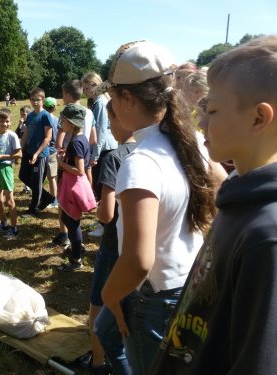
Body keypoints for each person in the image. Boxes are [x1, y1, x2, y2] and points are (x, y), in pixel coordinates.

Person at [150, 35, 277, 375]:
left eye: (214, 110)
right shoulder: (237, 197)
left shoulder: (267, 236)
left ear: (258, 118)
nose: (202, 122)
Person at [100, 41, 216, 375]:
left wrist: (110, 296)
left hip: (150, 297)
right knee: (105, 332)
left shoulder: (141, 163)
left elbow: (138, 261)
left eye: (113, 95)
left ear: (127, 99)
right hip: (186, 281)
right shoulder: (191, 141)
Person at [88, 100, 135, 375]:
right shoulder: (147, 150)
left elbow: (106, 214)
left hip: (112, 245)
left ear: (119, 121)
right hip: (137, 246)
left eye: (109, 121)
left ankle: (97, 362)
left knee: (98, 305)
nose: (107, 126)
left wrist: (97, 209)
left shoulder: (114, 158)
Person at [48, 80, 96, 249]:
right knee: (79, 200)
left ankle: (65, 235)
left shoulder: (66, 114)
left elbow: (59, 142)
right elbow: (94, 139)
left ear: (68, 94)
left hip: (71, 162)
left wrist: (62, 157)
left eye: (63, 94)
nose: (62, 97)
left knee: (65, 203)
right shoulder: (89, 112)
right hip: (84, 155)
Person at [56, 103, 96, 272]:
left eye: (63, 120)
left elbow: (79, 171)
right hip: (72, 184)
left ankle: (76, 258)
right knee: (68, 219)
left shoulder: (76, 143)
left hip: (73, 185)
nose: (61, 123)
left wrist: (60, 163)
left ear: (71, 123)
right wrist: (67, 157)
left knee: (72, 222)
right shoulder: (80, 139)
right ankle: (77, 247)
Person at [81, 71, 118, 238]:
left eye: (89, 87)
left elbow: (102, 131)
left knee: (102, 187)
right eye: (85, 87)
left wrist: (95, 155)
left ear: (97, 86)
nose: (86, 91)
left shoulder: (101, 103)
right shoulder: (95, 102)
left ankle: (105, 225)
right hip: (100, 149)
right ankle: (101, 221)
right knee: (98, 185)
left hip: (105, 149)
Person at [19, 87, 55, 217]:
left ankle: (33, 209)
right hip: (28, 152)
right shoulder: (30, 116)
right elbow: (26, 133)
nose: (35, 102)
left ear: (43, 100)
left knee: (37, 181)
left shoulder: (45, 115)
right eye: (33, 100)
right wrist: (20, 149)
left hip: (40, 155)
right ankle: (46, 197)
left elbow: (48, 137)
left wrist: (36, 153)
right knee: (23, 176)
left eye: (38, 100)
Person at [0, 108, 22, 239]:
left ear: (10, 122)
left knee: (10, 201)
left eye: (7, 121)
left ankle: (14, 229)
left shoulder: (12, 135)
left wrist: (2, 156)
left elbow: (19, 153)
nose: (5, 124)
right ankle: (4, 224)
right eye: (2, 121)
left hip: (6, 169)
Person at [44, 97, 59, 208]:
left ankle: (54, 200)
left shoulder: (45, 119)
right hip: (55, 150)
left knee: (51, 177)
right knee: (54, 176)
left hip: (49, 151)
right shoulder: (58, 120)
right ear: (55, 107)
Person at [15, 105, 33, 195]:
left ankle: (31, 187)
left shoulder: (31, 123)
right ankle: (27, 187)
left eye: (24, 114)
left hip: (31, 150)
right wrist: (19, 125)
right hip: (24, 150)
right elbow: (16, 135)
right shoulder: (22, 124)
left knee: (30, 170)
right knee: (25, 170)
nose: (22, 116)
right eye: (21, 114)